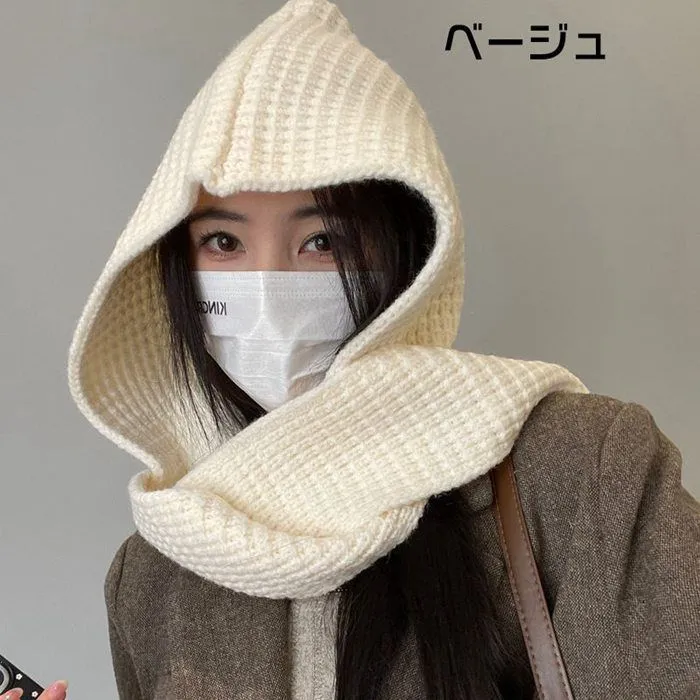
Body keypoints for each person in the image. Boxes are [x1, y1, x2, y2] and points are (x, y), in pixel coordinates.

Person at [46, 0, 700, 699]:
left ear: (408, 256)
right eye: (223, 241)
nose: (268, 289)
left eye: (324, 241)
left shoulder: (586, 470)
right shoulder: (152, 576)